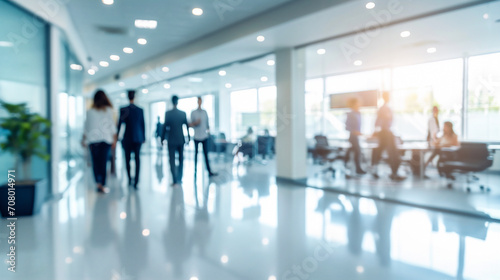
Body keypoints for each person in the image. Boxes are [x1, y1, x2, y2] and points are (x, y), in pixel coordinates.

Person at [82, 90, 117, 193]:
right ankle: (103, 184)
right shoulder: (109, 110)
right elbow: (112, 127)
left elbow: (86, 128)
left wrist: (84, 139)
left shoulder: (90, 112)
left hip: (93, 141)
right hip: (105, 140)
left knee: (95, 163)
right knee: (103, 163)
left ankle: (98, 183)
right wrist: (114, 140)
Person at [371, 91, 405, 181]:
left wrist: (376, 130)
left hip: (384, 132)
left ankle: (377, 170)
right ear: (385, 97)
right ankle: (394, 173)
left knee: (380, 152)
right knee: (393, 153)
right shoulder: (384, 108)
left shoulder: (383, 108)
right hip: (385, 132)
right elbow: (380, 120)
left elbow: (377, 121)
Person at [117, 90, 145, 189]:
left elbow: (120, 125)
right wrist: (143, 138)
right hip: (138, 138)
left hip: (127, 138)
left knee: (127, 160)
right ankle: (136, 181)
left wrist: (117, 137)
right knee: (137, 160)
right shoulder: (140, 110)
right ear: (135, 97)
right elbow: (142, 124)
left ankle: (129, 179)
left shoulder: (123, 109)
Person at [161, 95, 190, 186]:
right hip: (180, 139)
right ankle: (179, 178)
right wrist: (188, 137)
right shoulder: (183, 113)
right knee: (181, 159)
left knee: (172, 160)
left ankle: (174, 180)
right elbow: (186, 127)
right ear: (177, 102)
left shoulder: (168, 114)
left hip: (171, 140)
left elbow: (165, 127)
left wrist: (162, 138)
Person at [190, 96, 217, 176]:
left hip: (204, 137)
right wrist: (196, 123)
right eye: (198, 101)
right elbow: (190, 124)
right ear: (197, 102)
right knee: (196, 155)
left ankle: (209, 171)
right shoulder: (193, 112)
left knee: (206, 155)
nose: (200, 102)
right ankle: (195, 172)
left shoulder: (205, 112)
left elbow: (207, 125)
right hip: (196, 137)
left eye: (201, 101)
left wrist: (209, 133)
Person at [345, 98, 366, 175]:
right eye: (358, 103)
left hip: (357, 136)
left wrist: (359, 133)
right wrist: (355, 131)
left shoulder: (358, 113)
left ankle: (348, 165)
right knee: (357, 152)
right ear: (354, 104)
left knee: (354, 152)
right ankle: (357, 168)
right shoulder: (350, 114)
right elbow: (347, 127)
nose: (359, 104)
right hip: (353, 136)